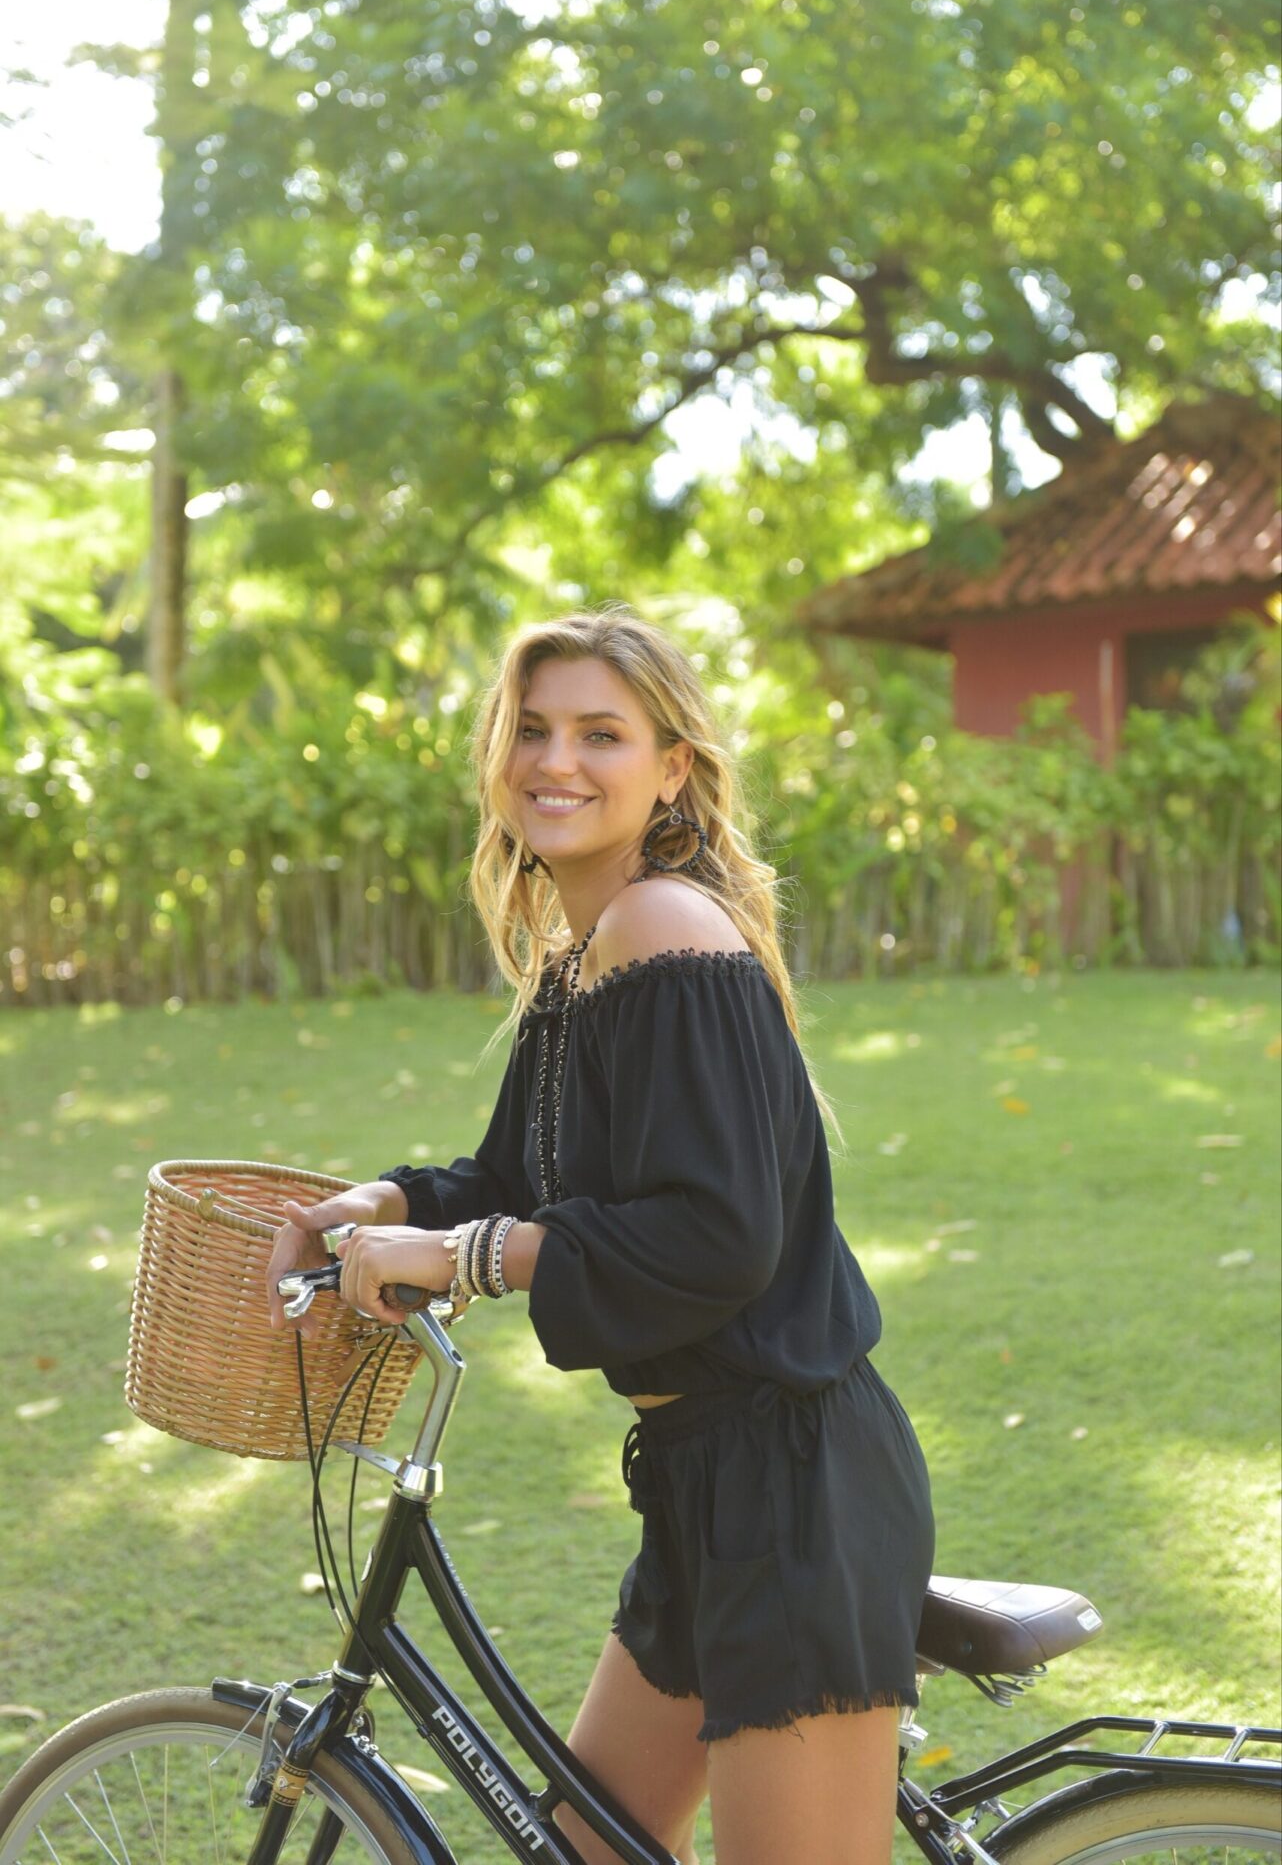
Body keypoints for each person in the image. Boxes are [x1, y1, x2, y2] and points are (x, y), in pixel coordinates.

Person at [265, 606, 935, 1865]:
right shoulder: (583, 957)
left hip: (793, 1491)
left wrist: (462, 1260)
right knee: (584, 1849)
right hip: (705, 1483)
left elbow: (716, 1236)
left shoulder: (661, 927)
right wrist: (383, 1206)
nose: (554, 761)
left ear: (671, 768)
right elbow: (512, 1176)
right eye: (530, 729)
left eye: (600, 734)